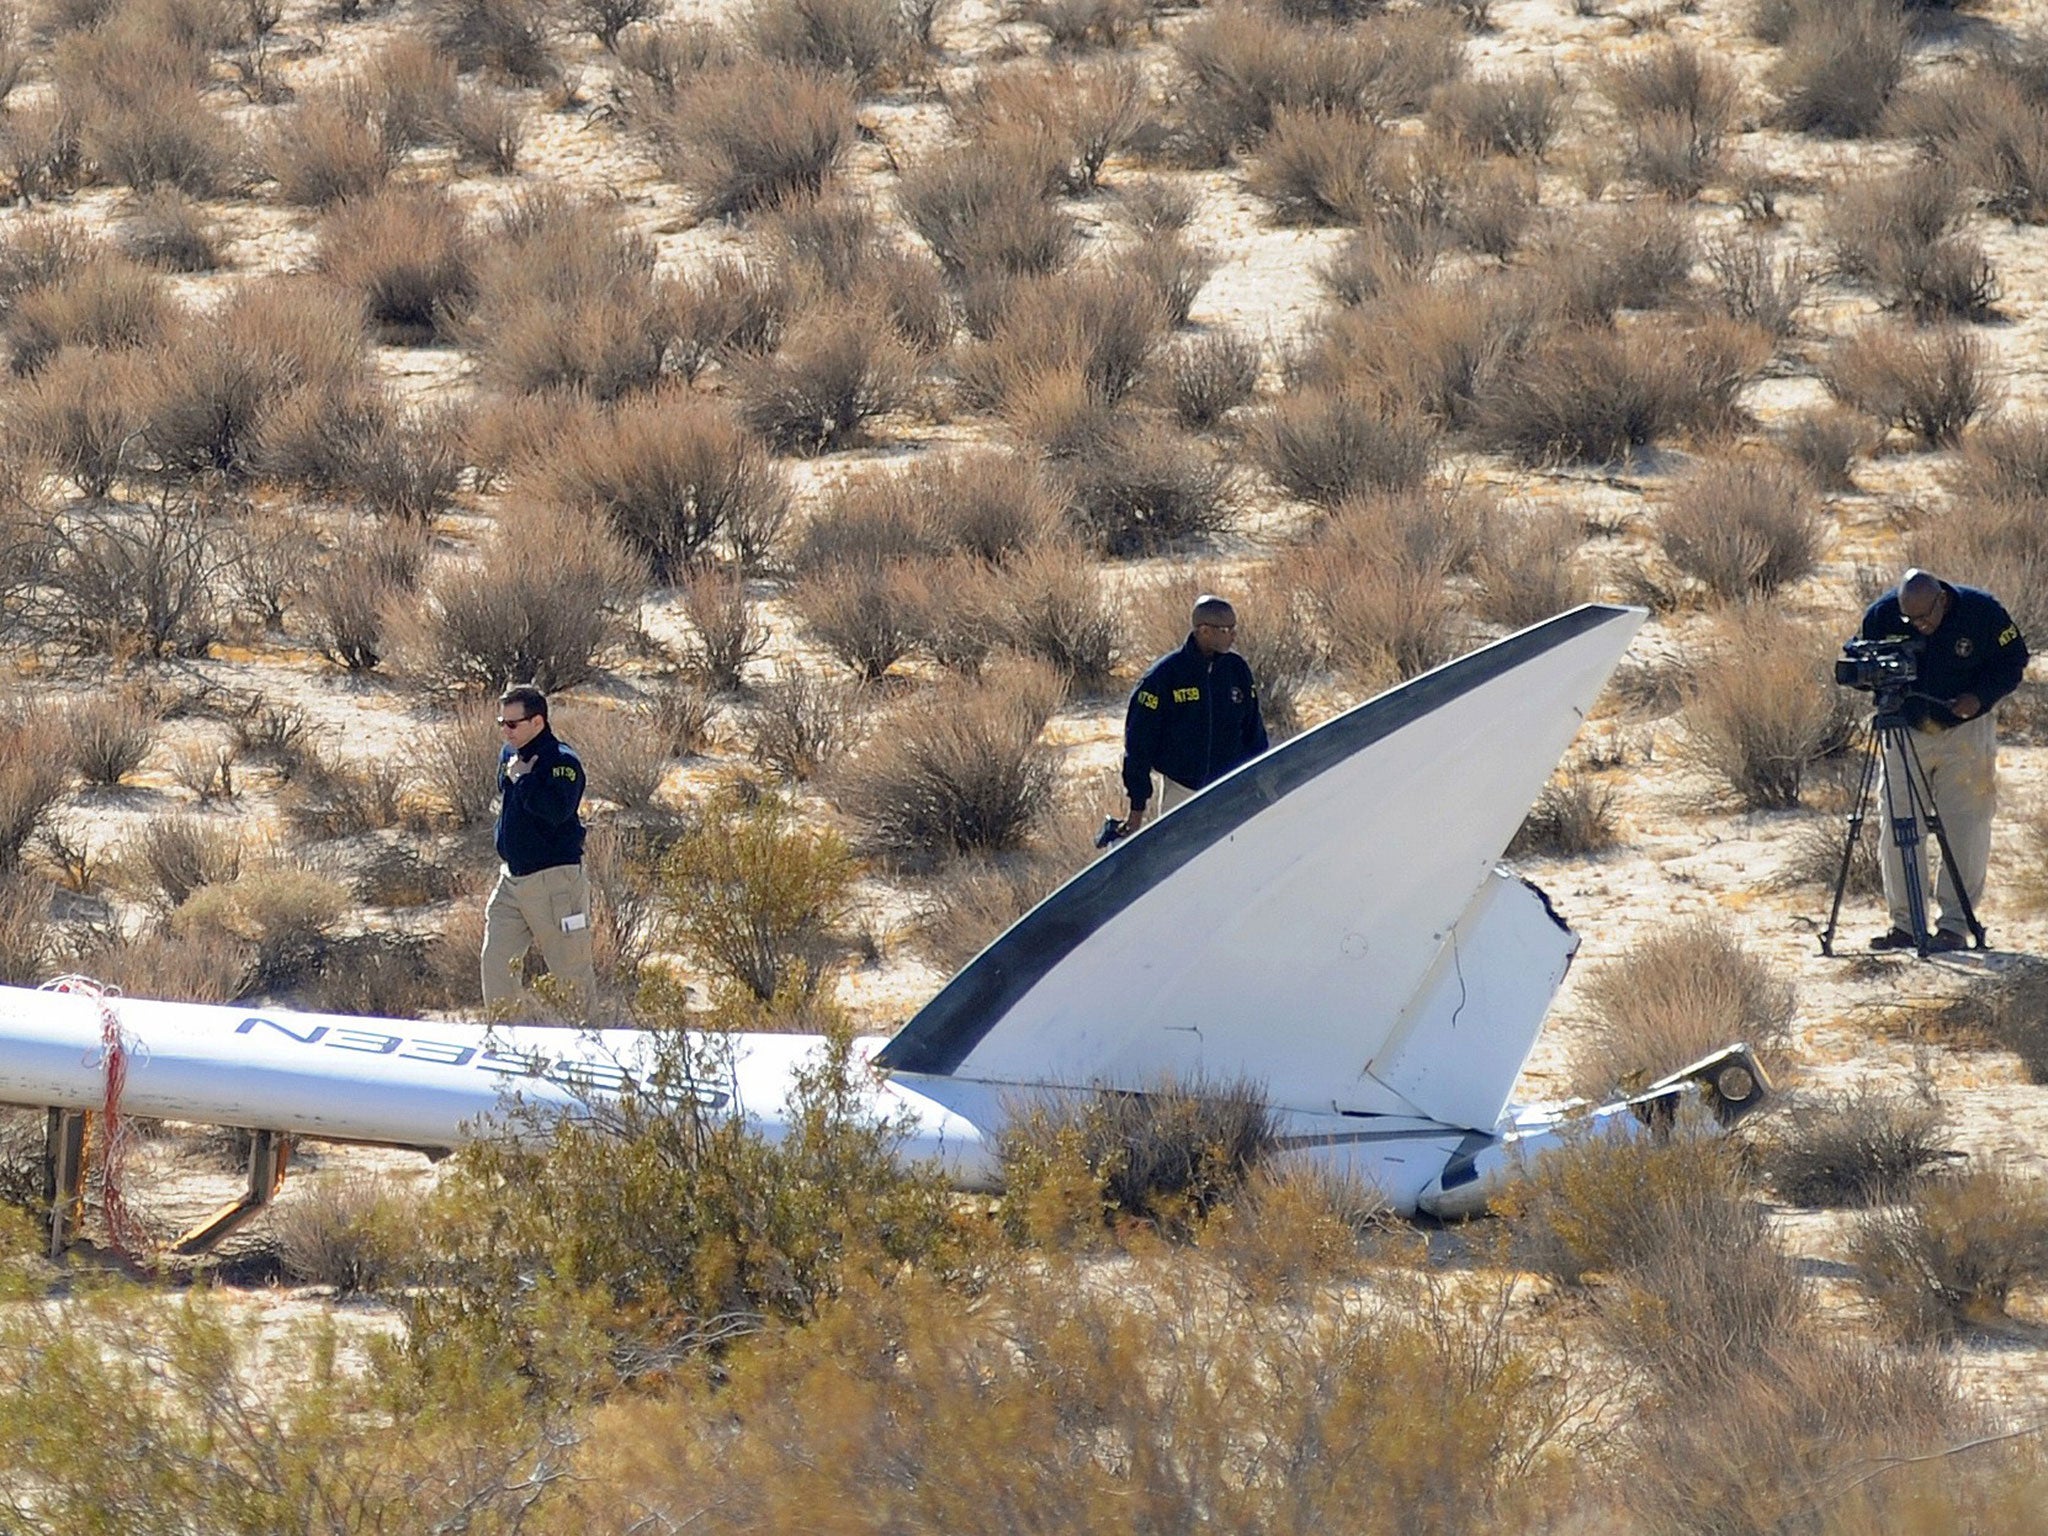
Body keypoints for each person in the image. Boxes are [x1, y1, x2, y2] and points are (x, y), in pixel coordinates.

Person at [1858, 568, 2027, 952]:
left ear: (1942, 600)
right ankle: (1906, 923)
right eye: (1911, 620)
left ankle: (1955, 925)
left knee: (1967, 823)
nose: (1920, 626)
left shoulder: (1982, 612)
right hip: (1905, 728)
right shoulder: (1881, 615)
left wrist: (1979, 697)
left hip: (1965, 730)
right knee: (1898, 823)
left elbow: (2014, 658)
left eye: (1925, 618)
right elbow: (1861, 660)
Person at [480, 684, 597, 1015]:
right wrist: (517, 776)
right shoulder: (510, 755)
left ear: (538, 722)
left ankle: (588, 1042)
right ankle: (504, 1040)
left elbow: (556, 811)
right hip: (512, 881)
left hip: (554, 883)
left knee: (571, 971)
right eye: (501, 723)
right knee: (497, 962)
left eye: (513, 724)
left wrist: (526, 780)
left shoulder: (562, 763)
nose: (506, 731)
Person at [1121, 595, 1269, 834]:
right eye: (1226, 629)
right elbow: (1139, 745)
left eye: (1234, 628)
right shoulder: (1164, 677)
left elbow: (1254, 732)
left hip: (1232, 790)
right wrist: (1137, 808)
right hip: (1182, 793)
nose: (1234, 635)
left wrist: (1260, 781)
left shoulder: (1237, 670)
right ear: (1204, 631)